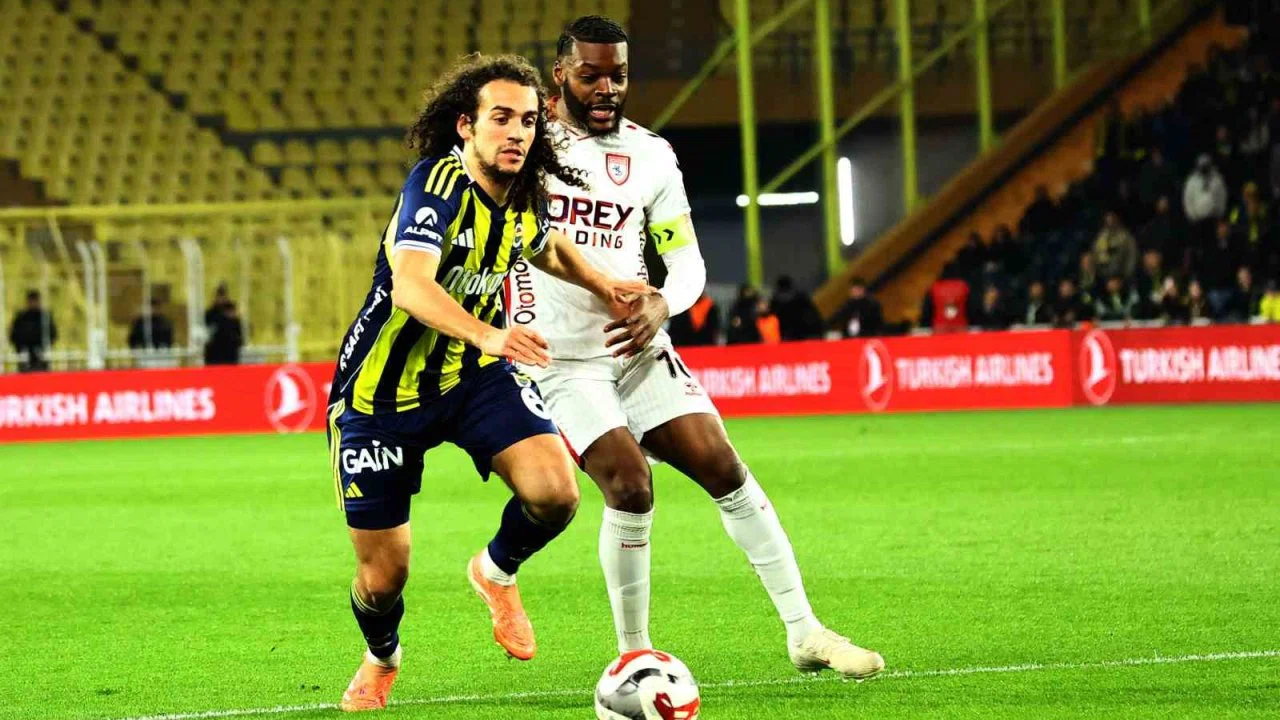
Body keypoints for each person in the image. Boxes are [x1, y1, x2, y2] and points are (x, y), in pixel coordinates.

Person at [513, 16, 884, 681]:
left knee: (723, 465)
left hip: (635, 346)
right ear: (560, 74)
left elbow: (686, 260)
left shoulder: (651, 155)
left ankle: (805, 631)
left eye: (619, 75)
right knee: (630, 484)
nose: (606, 88)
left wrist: (663, 303)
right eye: (591, 75)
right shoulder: (525, 144)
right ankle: (634, 656)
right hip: (559, 358)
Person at [325, 54, 648, 711]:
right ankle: (382, 655)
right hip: (379, 397)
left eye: (528, 120)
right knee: (384, 578)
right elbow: (412, 286)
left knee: (557, 494)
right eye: (501, 118)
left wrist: (605, 283)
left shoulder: (523, 193)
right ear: (466, 126)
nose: (517, 132)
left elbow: (545, 245)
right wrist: (490, 334)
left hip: (471, 377)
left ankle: (494, 570)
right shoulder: (436, 185)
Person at [9, 290, 56, 372]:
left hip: (41, 354)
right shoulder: (21, 317)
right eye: (31, 301)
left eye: (35, 301)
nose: (33, 304)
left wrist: (44, 348)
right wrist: (21, 348)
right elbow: (14, 335)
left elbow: (52, 334)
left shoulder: (44, 317)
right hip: (25, 353)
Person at [770, 275, 824, 341]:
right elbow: (812, 314)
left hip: (786, 334)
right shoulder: (801, 296)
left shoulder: (776, 300)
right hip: (804, 332)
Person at [1093, 211, 1138, 281]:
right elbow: (1095, 255)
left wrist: (1125, 277)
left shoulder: (1126, 238)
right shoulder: (1100, 237)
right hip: (1102, 277)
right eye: (1107, 221)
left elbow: (1132, 257)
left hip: (1121, 276)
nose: (1110, 223)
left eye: (1112, 220)